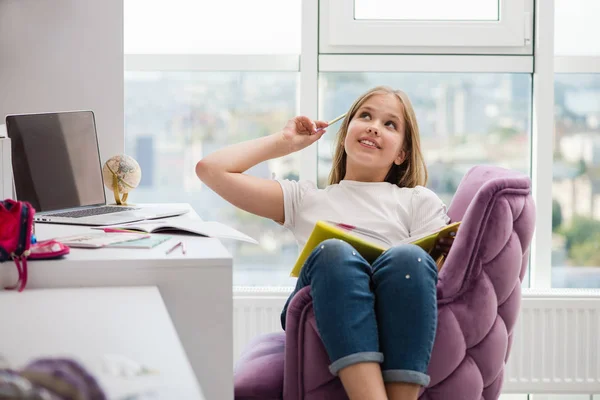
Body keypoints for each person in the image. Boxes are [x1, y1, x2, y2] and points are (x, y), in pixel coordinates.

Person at [196, 86, 454, 400]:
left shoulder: (417, 200)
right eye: (365, 116)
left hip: (394, 298)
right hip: (324, 294)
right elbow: (210, 170)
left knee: (407, 258)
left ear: (401, 152)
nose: (374, 126)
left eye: (390, 124)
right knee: (333, 251)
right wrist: (285, 142)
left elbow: (431, 280)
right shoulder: (306, 200)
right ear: (344, 133)